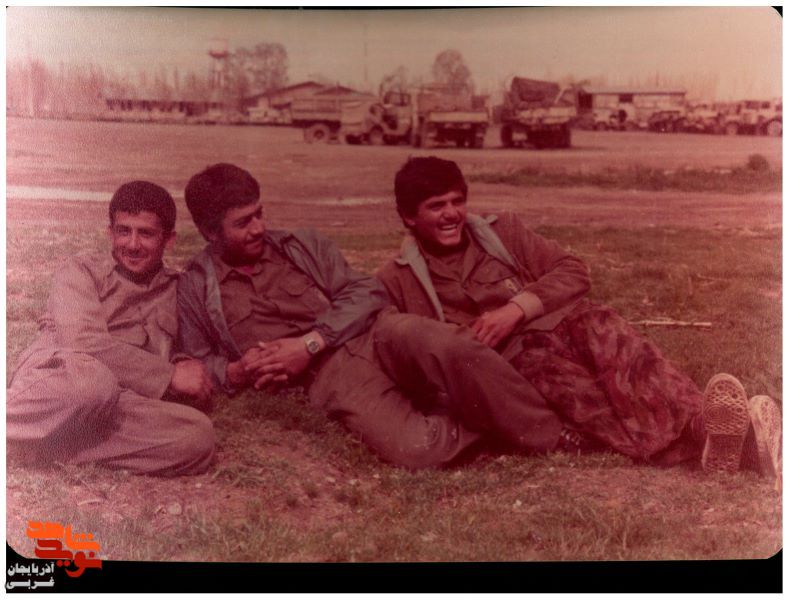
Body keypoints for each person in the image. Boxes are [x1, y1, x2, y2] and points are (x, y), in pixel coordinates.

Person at [376, 156, 782, 477]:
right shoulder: (397, 279)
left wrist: (515, 309)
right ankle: (731, 443)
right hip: (514, 363)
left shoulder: (503, 233)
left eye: (457, 201)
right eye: (436, 206)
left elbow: (573, 270)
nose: (451, 214)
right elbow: (414, 353)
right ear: (409, 217)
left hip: (566, 324)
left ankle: (704, 425)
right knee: (589, 400)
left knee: (629, 359)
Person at [177, 163, 595, 470]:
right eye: (243, 223)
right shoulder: (195, 286)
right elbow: (198, 361)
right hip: (330, 376)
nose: (258, 228)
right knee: (417, 449)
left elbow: (366, 292)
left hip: (376, 332)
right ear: (211, 232)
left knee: (453, 345)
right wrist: (237, 371)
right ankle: (495, 415)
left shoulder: (301, 246)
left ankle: (553, 435)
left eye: (259, 214)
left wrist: (310, 343)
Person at [7, 181, 216, 476]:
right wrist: (169, 375)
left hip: (120, 400)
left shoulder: (178, 289)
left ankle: (40, 445)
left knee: (196, 435)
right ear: (110, 232)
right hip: (63, 383)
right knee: (93, 384)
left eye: (146, 233)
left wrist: (185, 365)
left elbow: (185, 350)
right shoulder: (81, 271)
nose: (132, 244)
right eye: (123, 231)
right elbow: (82, 342)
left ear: (169, 239)